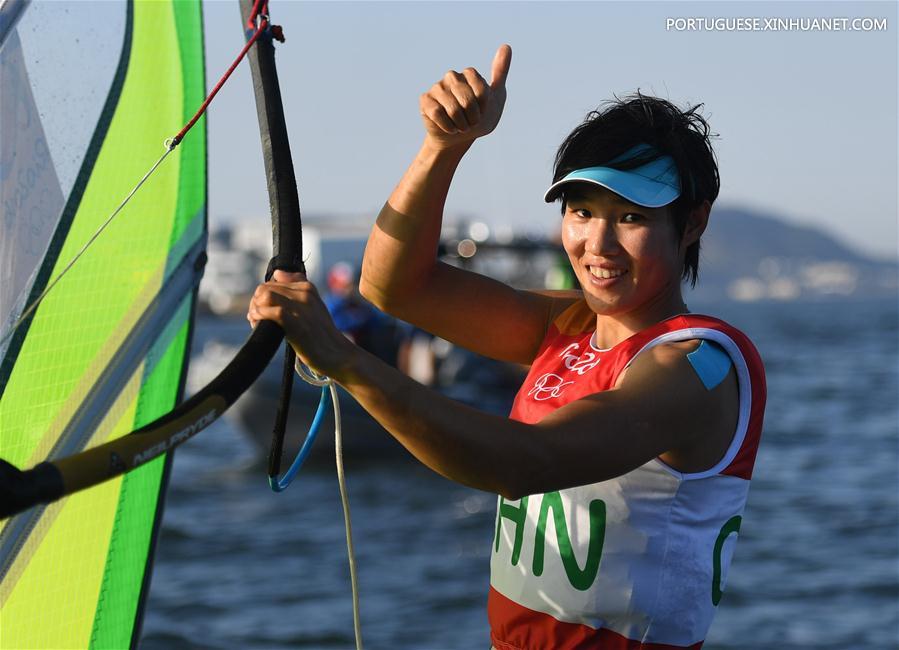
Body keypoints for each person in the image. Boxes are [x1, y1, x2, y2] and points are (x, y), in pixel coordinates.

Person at [248, 44, 766, 649]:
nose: (597, 244)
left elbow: (526, 463)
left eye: (631, 218)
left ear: (693, 224)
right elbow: (392, 285)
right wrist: (444, 146)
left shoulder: (697, 366)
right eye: (581, 211)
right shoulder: (568, 325)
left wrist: (346, 361)